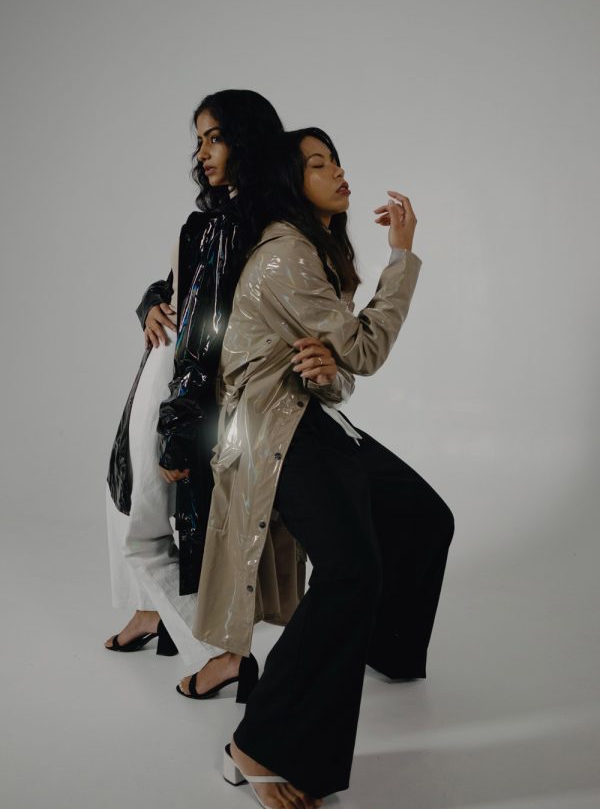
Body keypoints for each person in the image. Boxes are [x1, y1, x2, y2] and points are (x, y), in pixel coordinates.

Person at [191, 128, 455, 807]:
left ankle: (379, 647)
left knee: (422, 517)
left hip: (309, 417)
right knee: (351, 570)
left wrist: (329, 371)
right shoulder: (286, 255)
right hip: (274, 431)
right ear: (290, 180)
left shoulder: (314, 251)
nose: (338, 172)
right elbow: (364, 353)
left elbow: (338, 373)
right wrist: (403, 256)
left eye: (336, 160)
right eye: (318, 164)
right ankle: (258, 743)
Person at [104, 91, 292, 667]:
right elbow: (178, 286)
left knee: (143, 515)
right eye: (200, 140)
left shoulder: (235, 225)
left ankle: (220, 653)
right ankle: (150, 613)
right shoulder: (221, 216)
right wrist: (151, 305)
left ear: (246, 141)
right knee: (130, 496)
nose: (202, 152)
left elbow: (210, 330)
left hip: (181, 377)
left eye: (216, 137)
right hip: (165, 367)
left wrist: (181, 423)